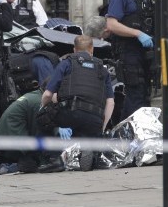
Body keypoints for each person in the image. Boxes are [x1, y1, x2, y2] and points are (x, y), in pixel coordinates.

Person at [38, 35, 115, 172]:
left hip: (70, 113)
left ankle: (54, 159)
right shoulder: (102, 68)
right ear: (92, 49)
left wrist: (42, 108)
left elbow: (48, 94)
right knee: (88, 128)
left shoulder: (66, 63)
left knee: (43, 117)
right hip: (94, 117)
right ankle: (89, 150)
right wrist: (101, 127)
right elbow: (110, 102)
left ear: (74, 49)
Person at [106, 0, 157, 122]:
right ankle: (127, 139)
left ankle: (143, 137)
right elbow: (112, 24)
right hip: (129, 52)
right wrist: (137, 33)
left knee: (145, 94)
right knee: (134, 95)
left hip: (147, 52)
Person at [0, 79, 72, 173]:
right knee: (32, 163)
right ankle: (11, 167)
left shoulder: (35, 96)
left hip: (6, 139)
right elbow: (38, 132)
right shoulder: (38, 103)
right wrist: (48, 162)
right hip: (10, 143)